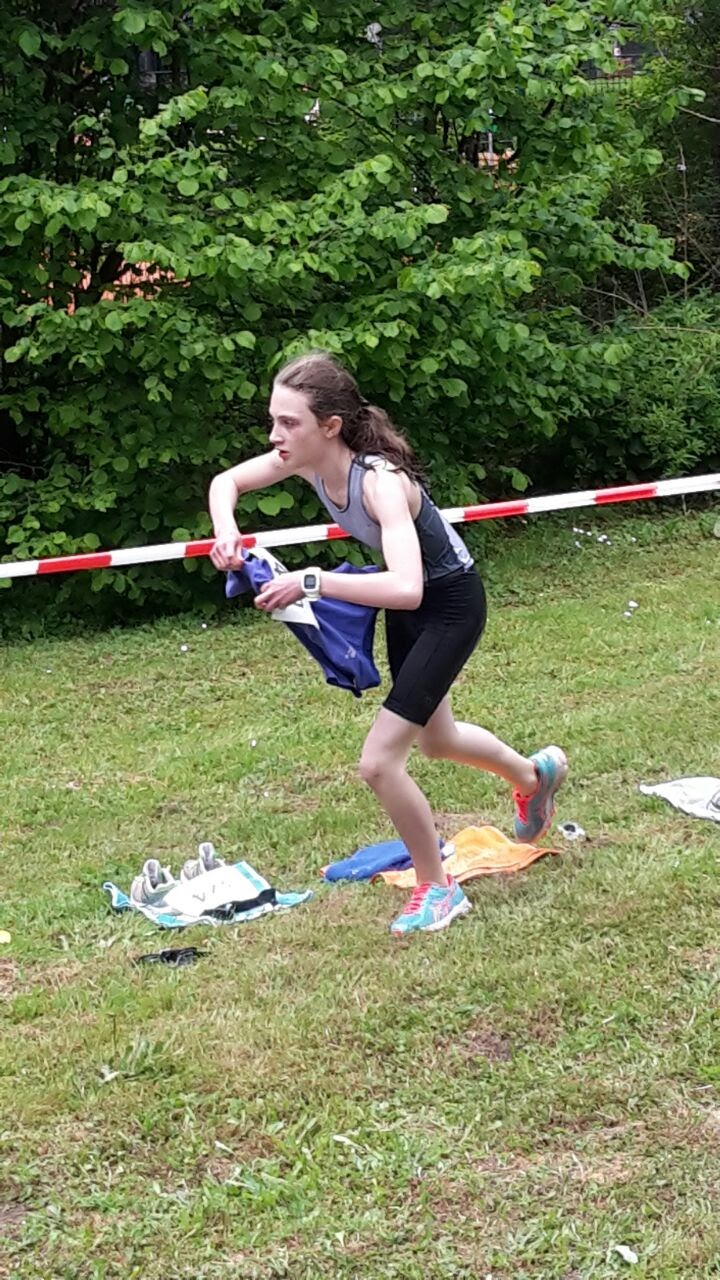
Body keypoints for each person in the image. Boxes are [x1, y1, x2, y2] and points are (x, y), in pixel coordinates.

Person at [209, 351, 567, 936]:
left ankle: (437, 889)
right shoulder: (304, 461)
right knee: (438, 740)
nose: (275, 436)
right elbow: (225, 482)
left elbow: (406, 586)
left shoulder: (380, 482)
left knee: (378, 763)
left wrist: (312, 580)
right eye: (273, 420)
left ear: (330, 426)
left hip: (449, 605)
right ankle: (534, 777)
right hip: (413, 608)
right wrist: (227, 531)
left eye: (289, 423)